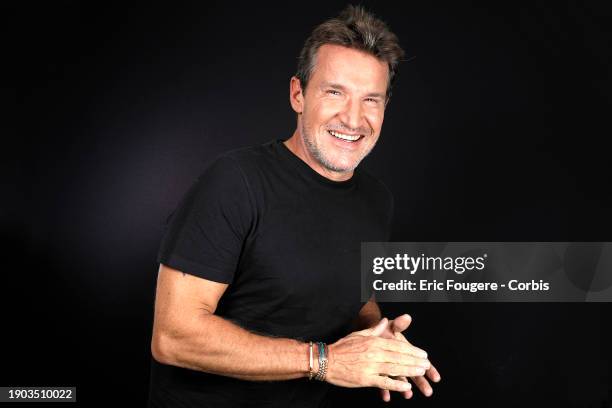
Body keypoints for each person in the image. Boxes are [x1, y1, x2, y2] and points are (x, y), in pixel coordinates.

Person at [149, 5, 440, 407]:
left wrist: (378, 333)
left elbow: (346, 290)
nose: (353, 119)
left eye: (370, 100)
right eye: (334, 92)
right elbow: (173, 336)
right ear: (298, 94)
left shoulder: (377, 201)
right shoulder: (235, 182)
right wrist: (324, 361)